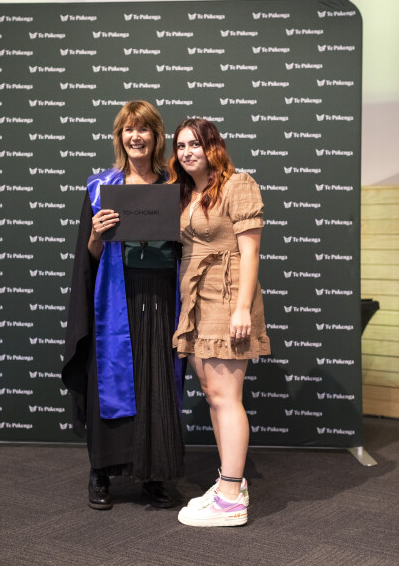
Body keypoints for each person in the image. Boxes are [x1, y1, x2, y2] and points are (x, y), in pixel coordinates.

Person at [62, 100, 184, 510]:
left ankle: (154, 473)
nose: (136, 136)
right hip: (116, 296)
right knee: (110, 381)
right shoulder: (101, 188)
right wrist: (96, 234)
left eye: (143, 129)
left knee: (156, 381)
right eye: (128, 129)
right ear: (120, 137)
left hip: (162, 296)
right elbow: (90, 257)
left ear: (156, 136)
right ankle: (101, 473)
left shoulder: (175, 185)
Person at [168, 118, 271, 527]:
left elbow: (250, 252)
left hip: (228, 297)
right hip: (196, 301)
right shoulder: (185, 193)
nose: (186, 152)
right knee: (213, 394)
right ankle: (230, 483)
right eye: (180, 146)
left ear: (212, 146)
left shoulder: (238, 184)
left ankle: (230, 500)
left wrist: (242, 307)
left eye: (194, 144)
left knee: (227, 397)